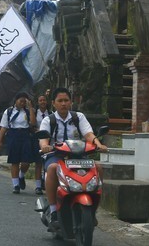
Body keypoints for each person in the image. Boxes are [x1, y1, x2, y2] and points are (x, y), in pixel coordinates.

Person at [38, 88, 107, 230]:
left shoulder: (78, 117)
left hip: (78, 156)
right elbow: (43, 139)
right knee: (52, 169)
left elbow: (88, 134)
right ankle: (53, 212)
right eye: (60, 101)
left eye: (66, 100)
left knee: (98, 168)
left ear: (71, 102)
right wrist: (45, 146)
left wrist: (98, 144)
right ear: (53, 103)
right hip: (56, 156)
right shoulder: (48, 120)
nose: (63, 104)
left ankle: (93, 210)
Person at [0, 92, 36, 194]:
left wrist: (30, 108)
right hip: (13, 135)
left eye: (24, 101)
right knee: (15, 161)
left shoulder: (27, 111)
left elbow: (33, 123)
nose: (22, 103)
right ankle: (16, 185)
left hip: (25, 135)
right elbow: (4, 127)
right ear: (16, 101)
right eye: (20, 101)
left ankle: (21, 175)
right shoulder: (8, 112)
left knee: (26, 161)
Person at [32, 94, 52, 195]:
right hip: (38, 139)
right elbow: (32, 125)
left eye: (44, 100)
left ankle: (46, 181)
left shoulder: (51, 113)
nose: (42, 102)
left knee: (47, 163)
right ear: (38, 102)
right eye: (40, 100)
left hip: (49, 140)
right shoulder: (35, 113)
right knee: (38, 163)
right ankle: (38, 186)